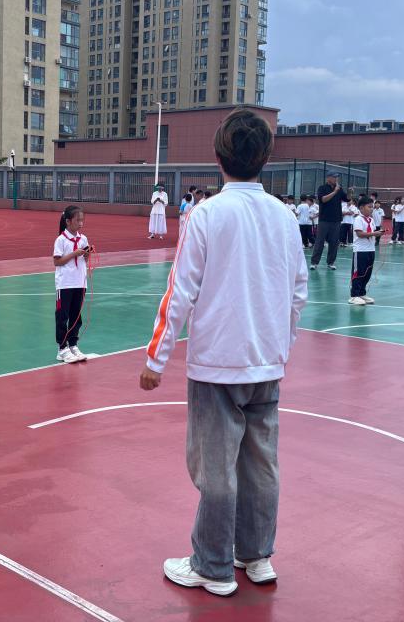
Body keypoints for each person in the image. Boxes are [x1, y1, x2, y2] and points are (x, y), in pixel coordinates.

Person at [140, 108, 308, 597]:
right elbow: (299, 292)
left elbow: (180, 291)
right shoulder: (285, 217)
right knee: (261, 463)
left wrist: (156, 359)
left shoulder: (207, 214)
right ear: (267, 158)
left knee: (215, 467)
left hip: (217, 363)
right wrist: (280, 346)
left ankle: (212, 565)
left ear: (217, 157)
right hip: (266, 362)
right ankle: (256, 555)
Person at [54, 205, 92, 364]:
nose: (81, 223)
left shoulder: (83, 239)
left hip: (80, 282)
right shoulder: (61, 240)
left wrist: (87, 254)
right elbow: (57, 261)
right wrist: (74, 254)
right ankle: (62, 349)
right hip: (65, 283)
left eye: (82, 220)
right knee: (63, 316)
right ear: (68, 221)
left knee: (76, 316)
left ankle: (73, 345)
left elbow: (84, 260)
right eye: (78, 220)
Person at [349, 196, 382, 305]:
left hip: (370, 249)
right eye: (369, 207)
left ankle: (362, 293)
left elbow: (371, 232)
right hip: (360, 250)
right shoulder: (358, 219)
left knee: (367, 272)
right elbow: (360, 234)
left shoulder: (371, 220)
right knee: (358, 272)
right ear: (361, 208)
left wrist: (378, 233)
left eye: (372, 207)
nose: (371, 209)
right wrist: (374, 233)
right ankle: (354, 295)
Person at [310, 172, 346, 270]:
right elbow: (323, 199)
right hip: (324, 220)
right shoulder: (322, 188)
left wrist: (350, 193)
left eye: (337, 177)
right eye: (334, 177)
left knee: (334, 242)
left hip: (336, 220)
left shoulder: (339, 189)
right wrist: (334, 191)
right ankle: (314, 262)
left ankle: (331, 262)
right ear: (328, 178)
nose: (336, 179)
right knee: (320, 241)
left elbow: (347, 199)